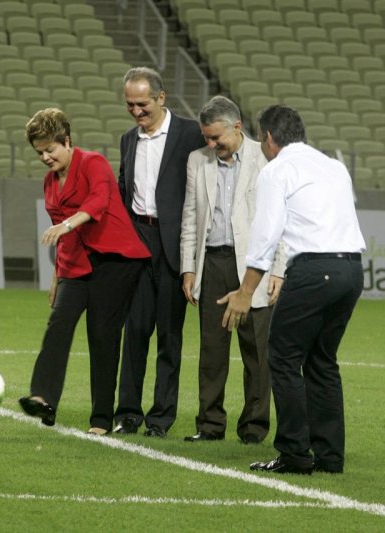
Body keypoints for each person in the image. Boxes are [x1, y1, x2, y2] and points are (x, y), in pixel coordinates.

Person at [220, 104, 366, 475]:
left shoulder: (277, 170)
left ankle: (295, 455)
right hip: (351, 270)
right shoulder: (333, 165)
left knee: (283, 358)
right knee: (321, 361)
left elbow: (265, 237)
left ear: (268, 138)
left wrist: (244, 291)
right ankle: (330, 457)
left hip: (314, 270)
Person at [18, 108, 150, 435]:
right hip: (75, 265)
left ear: (67, 141)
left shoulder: (93, 163)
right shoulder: (50, 182)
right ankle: (43, 398)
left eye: (50, 149)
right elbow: (61, 237)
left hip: (116, 260)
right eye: (40, 152)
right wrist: (56, 278)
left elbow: (99, 201)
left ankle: (101, 419)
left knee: (102, 337)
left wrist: (66, 223)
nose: (45, 157)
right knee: (58, 325)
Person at [180, 96, 285, 445]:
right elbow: (191, 217)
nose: (210, 145)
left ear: (236, 127)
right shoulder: (198, 160)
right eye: (206, 138)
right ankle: (209, 425)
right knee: (212, 351)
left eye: (216, 138)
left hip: (255, 267)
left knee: (257, 352)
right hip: (212, 263)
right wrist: (187, 269)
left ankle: (253, 429)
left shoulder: (265, 157)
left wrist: (278, 271)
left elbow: (280, 221)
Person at [113, 67, 206, 438]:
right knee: (134, 332)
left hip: (174, 245)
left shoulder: (189, 134)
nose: (136, 111)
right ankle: (128, 414)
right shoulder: (127, 140)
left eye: (142, 104)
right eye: (129, 105)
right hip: (138, 244)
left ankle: (161, 418)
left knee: (170, 337)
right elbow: (124, 192)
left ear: (161, 98)